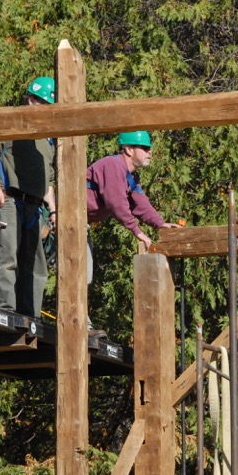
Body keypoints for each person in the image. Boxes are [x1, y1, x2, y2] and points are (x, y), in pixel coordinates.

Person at [86, 130, 181, 337]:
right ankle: (78, 324)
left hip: (79, 226)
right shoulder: (113, 166)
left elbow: (139, 203)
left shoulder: (129, 176)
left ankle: (81, 323)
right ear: (128, 149)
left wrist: (160, 224)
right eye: (145, 148)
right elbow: (117, 203)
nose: (150, 153)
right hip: (66, 223)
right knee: (79, 272)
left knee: (84, 273)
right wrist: (139, 233)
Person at [0, 76, 57, 318]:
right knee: (7, 255)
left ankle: (30, 316)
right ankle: (6, 311)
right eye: (41, 102)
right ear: (31, 100)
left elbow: (49, 180)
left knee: (36, 265)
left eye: (48, 105)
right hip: (10, 199)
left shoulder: (48, 138)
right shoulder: (11, 122)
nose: (44, 108)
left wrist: (53, 211)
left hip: (35, 207)